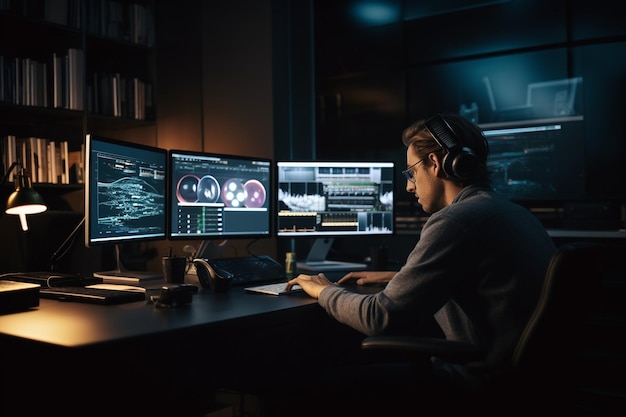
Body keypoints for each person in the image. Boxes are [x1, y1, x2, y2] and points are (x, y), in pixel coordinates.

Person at [285, 112, 557, 394]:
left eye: (411, 172)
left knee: (306, 385)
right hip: (525, 380)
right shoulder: (510, 212)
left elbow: (379, 318)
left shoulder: (455, 221)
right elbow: (478, 279)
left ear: (435, 163)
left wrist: (324, 290)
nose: (409, 186)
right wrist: (401, 276)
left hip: (476, 379)